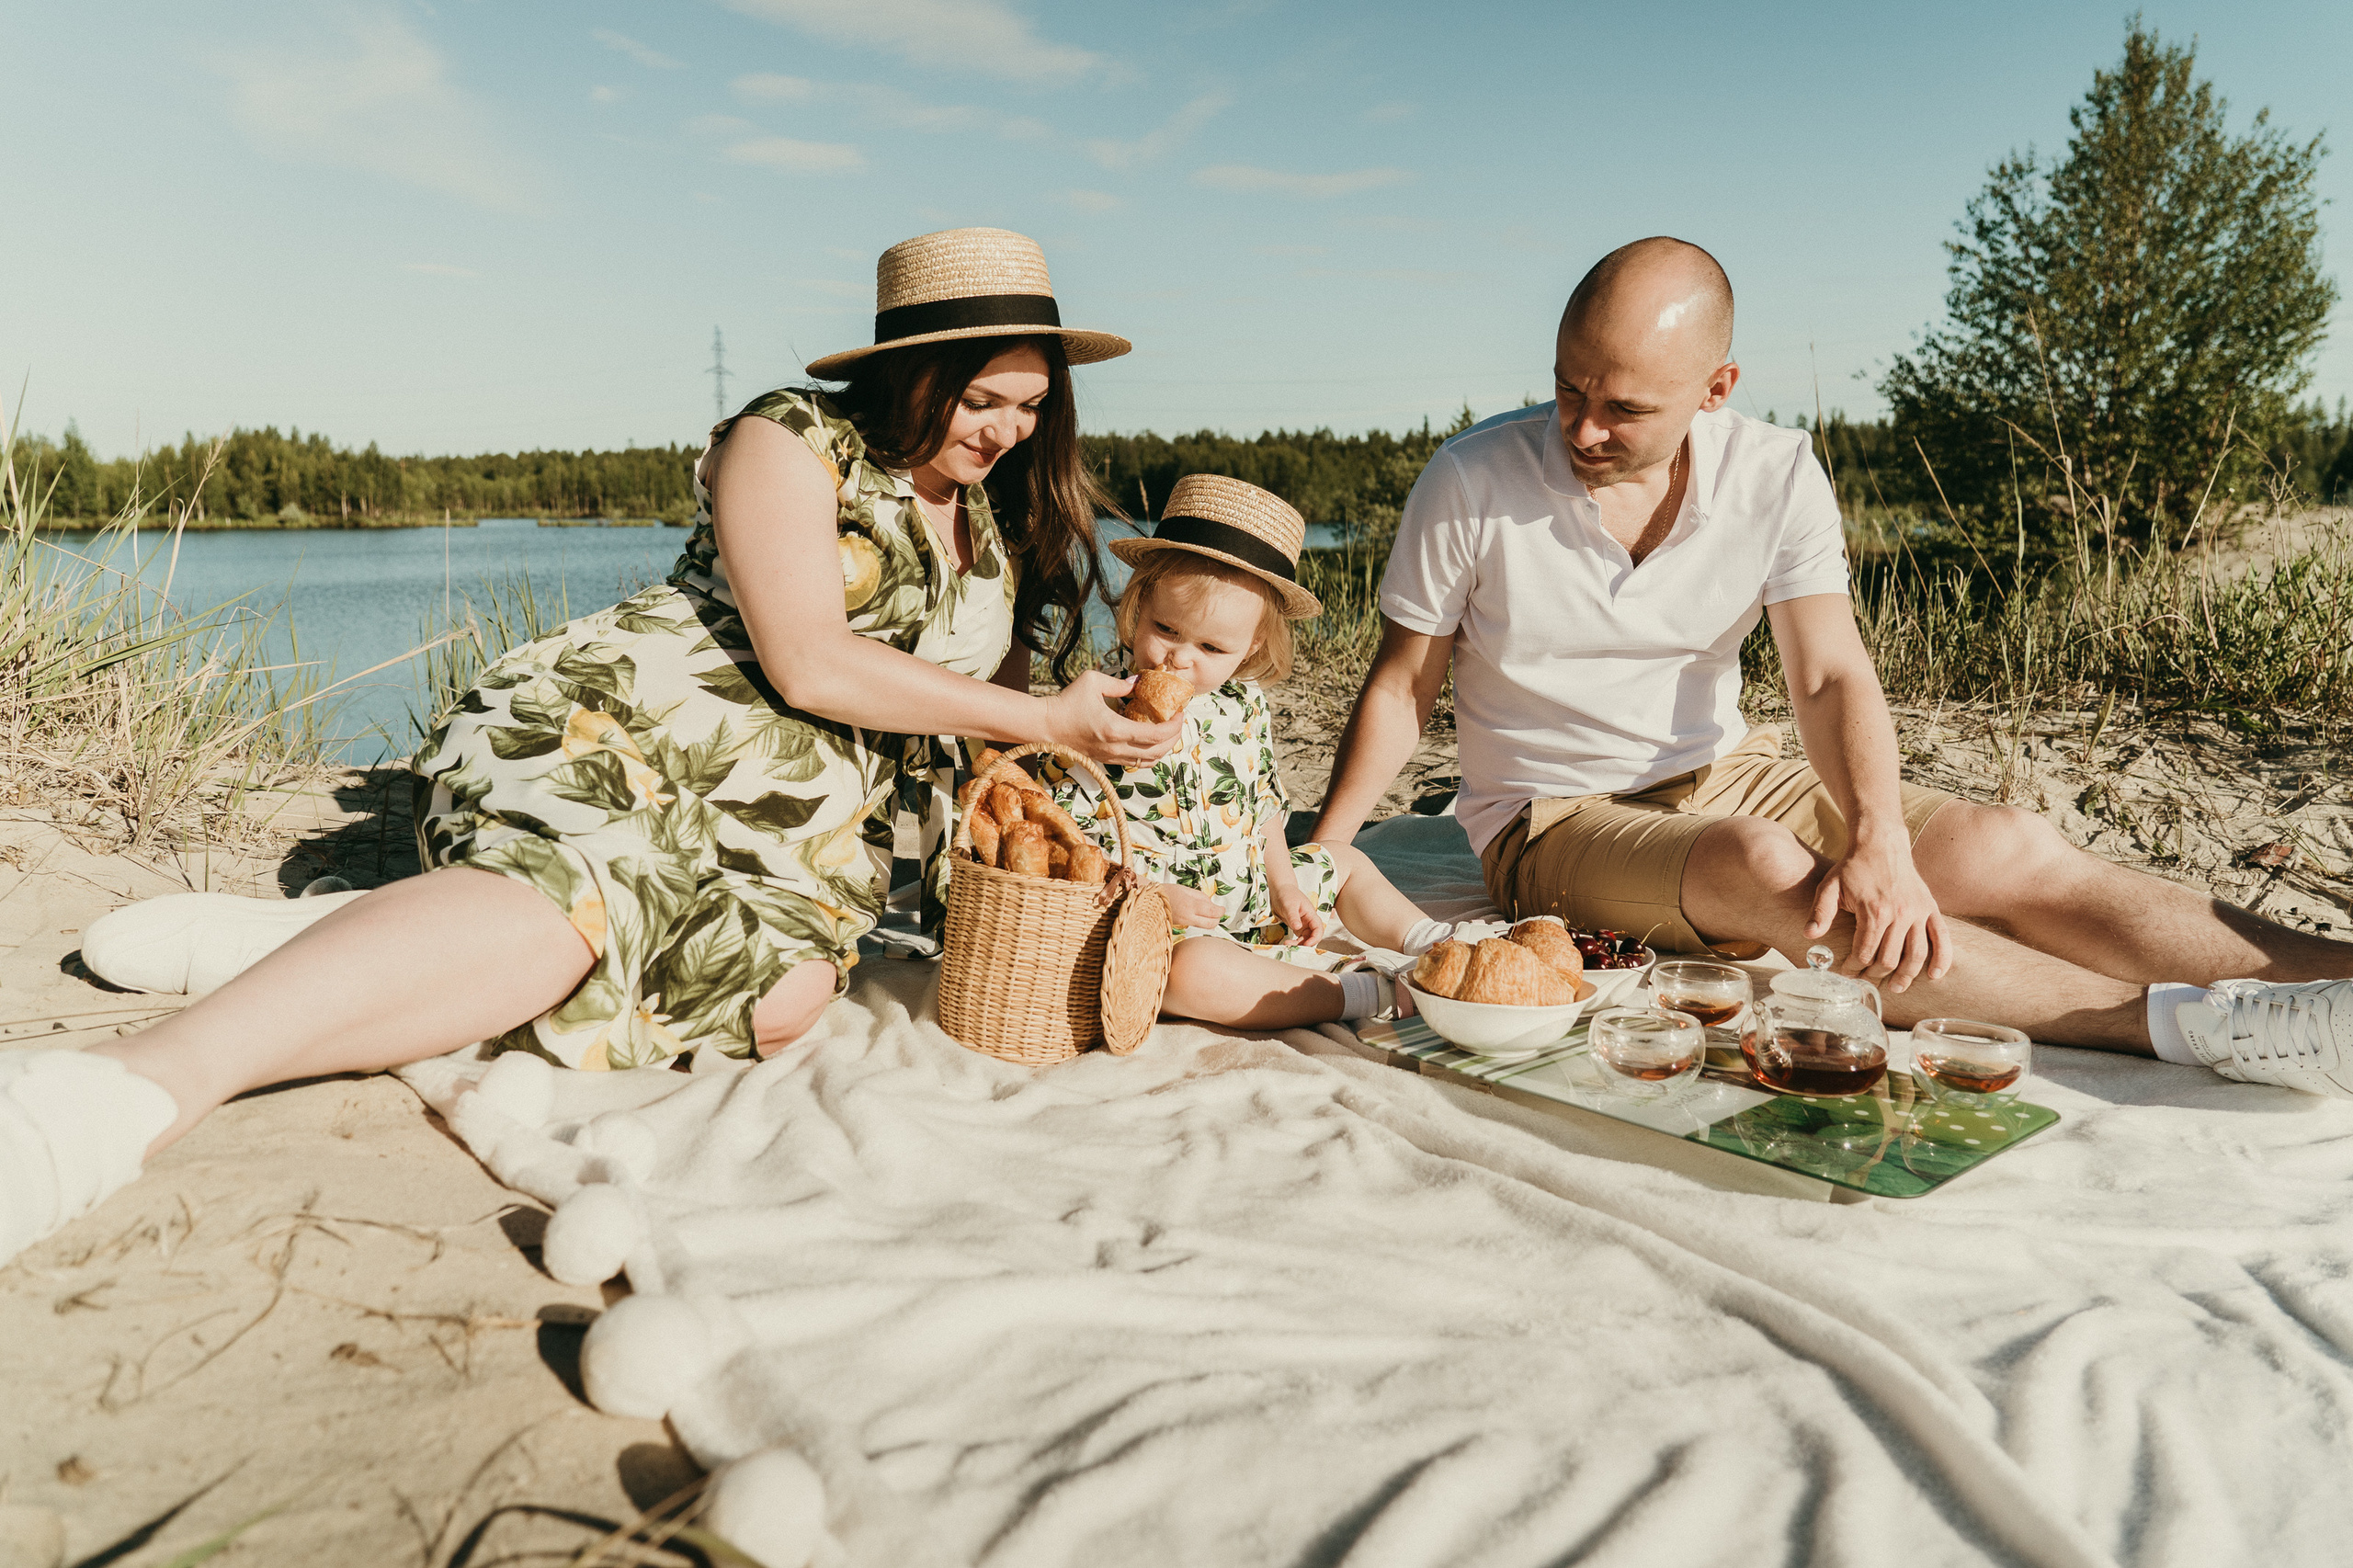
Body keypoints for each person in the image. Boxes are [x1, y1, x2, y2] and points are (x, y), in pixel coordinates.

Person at [1, 227, 1182, 1268]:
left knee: (784, 1000)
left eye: (1031, 405)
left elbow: (981, 726)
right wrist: (1040, 716)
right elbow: (809, 661)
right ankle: (125, 1093)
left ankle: (351, 940)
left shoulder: (993, 515)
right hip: (641, 733)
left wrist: (1070, 796)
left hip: (801, 827)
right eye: (984, 398)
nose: (1010, 428)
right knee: (594, 894)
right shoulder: (790, 437)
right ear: (912, 370)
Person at [1310, 235, 2353, 1096]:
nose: (1582, 426)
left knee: (2002, 843)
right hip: (1548, 818)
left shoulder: (1776, 473)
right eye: (1566, 387)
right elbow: (1403, 684)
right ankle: (2181, 1027)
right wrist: (1321, 850)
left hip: (1725, 767)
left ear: (1714, 388)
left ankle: (2337, 986)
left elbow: (1827, 677)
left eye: (1624, 408)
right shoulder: (1471, 478)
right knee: (1765, 870)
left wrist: (1881, 839)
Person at [1038, 475, 1452, 1032]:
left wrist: (1284, 886)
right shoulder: (1097, 711)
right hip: (1167, 919)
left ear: (1250, 647)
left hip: (1254, 894)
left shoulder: (1243, 706)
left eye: (1212, 648)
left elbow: (1263, 810)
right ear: (1138, 605)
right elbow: (1070, 846)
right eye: (1165, 629)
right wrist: (1154, 899)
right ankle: (1357, 992)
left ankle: (1435, 945)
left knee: (1345, 860)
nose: (1180, 659)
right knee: (1188, 976)